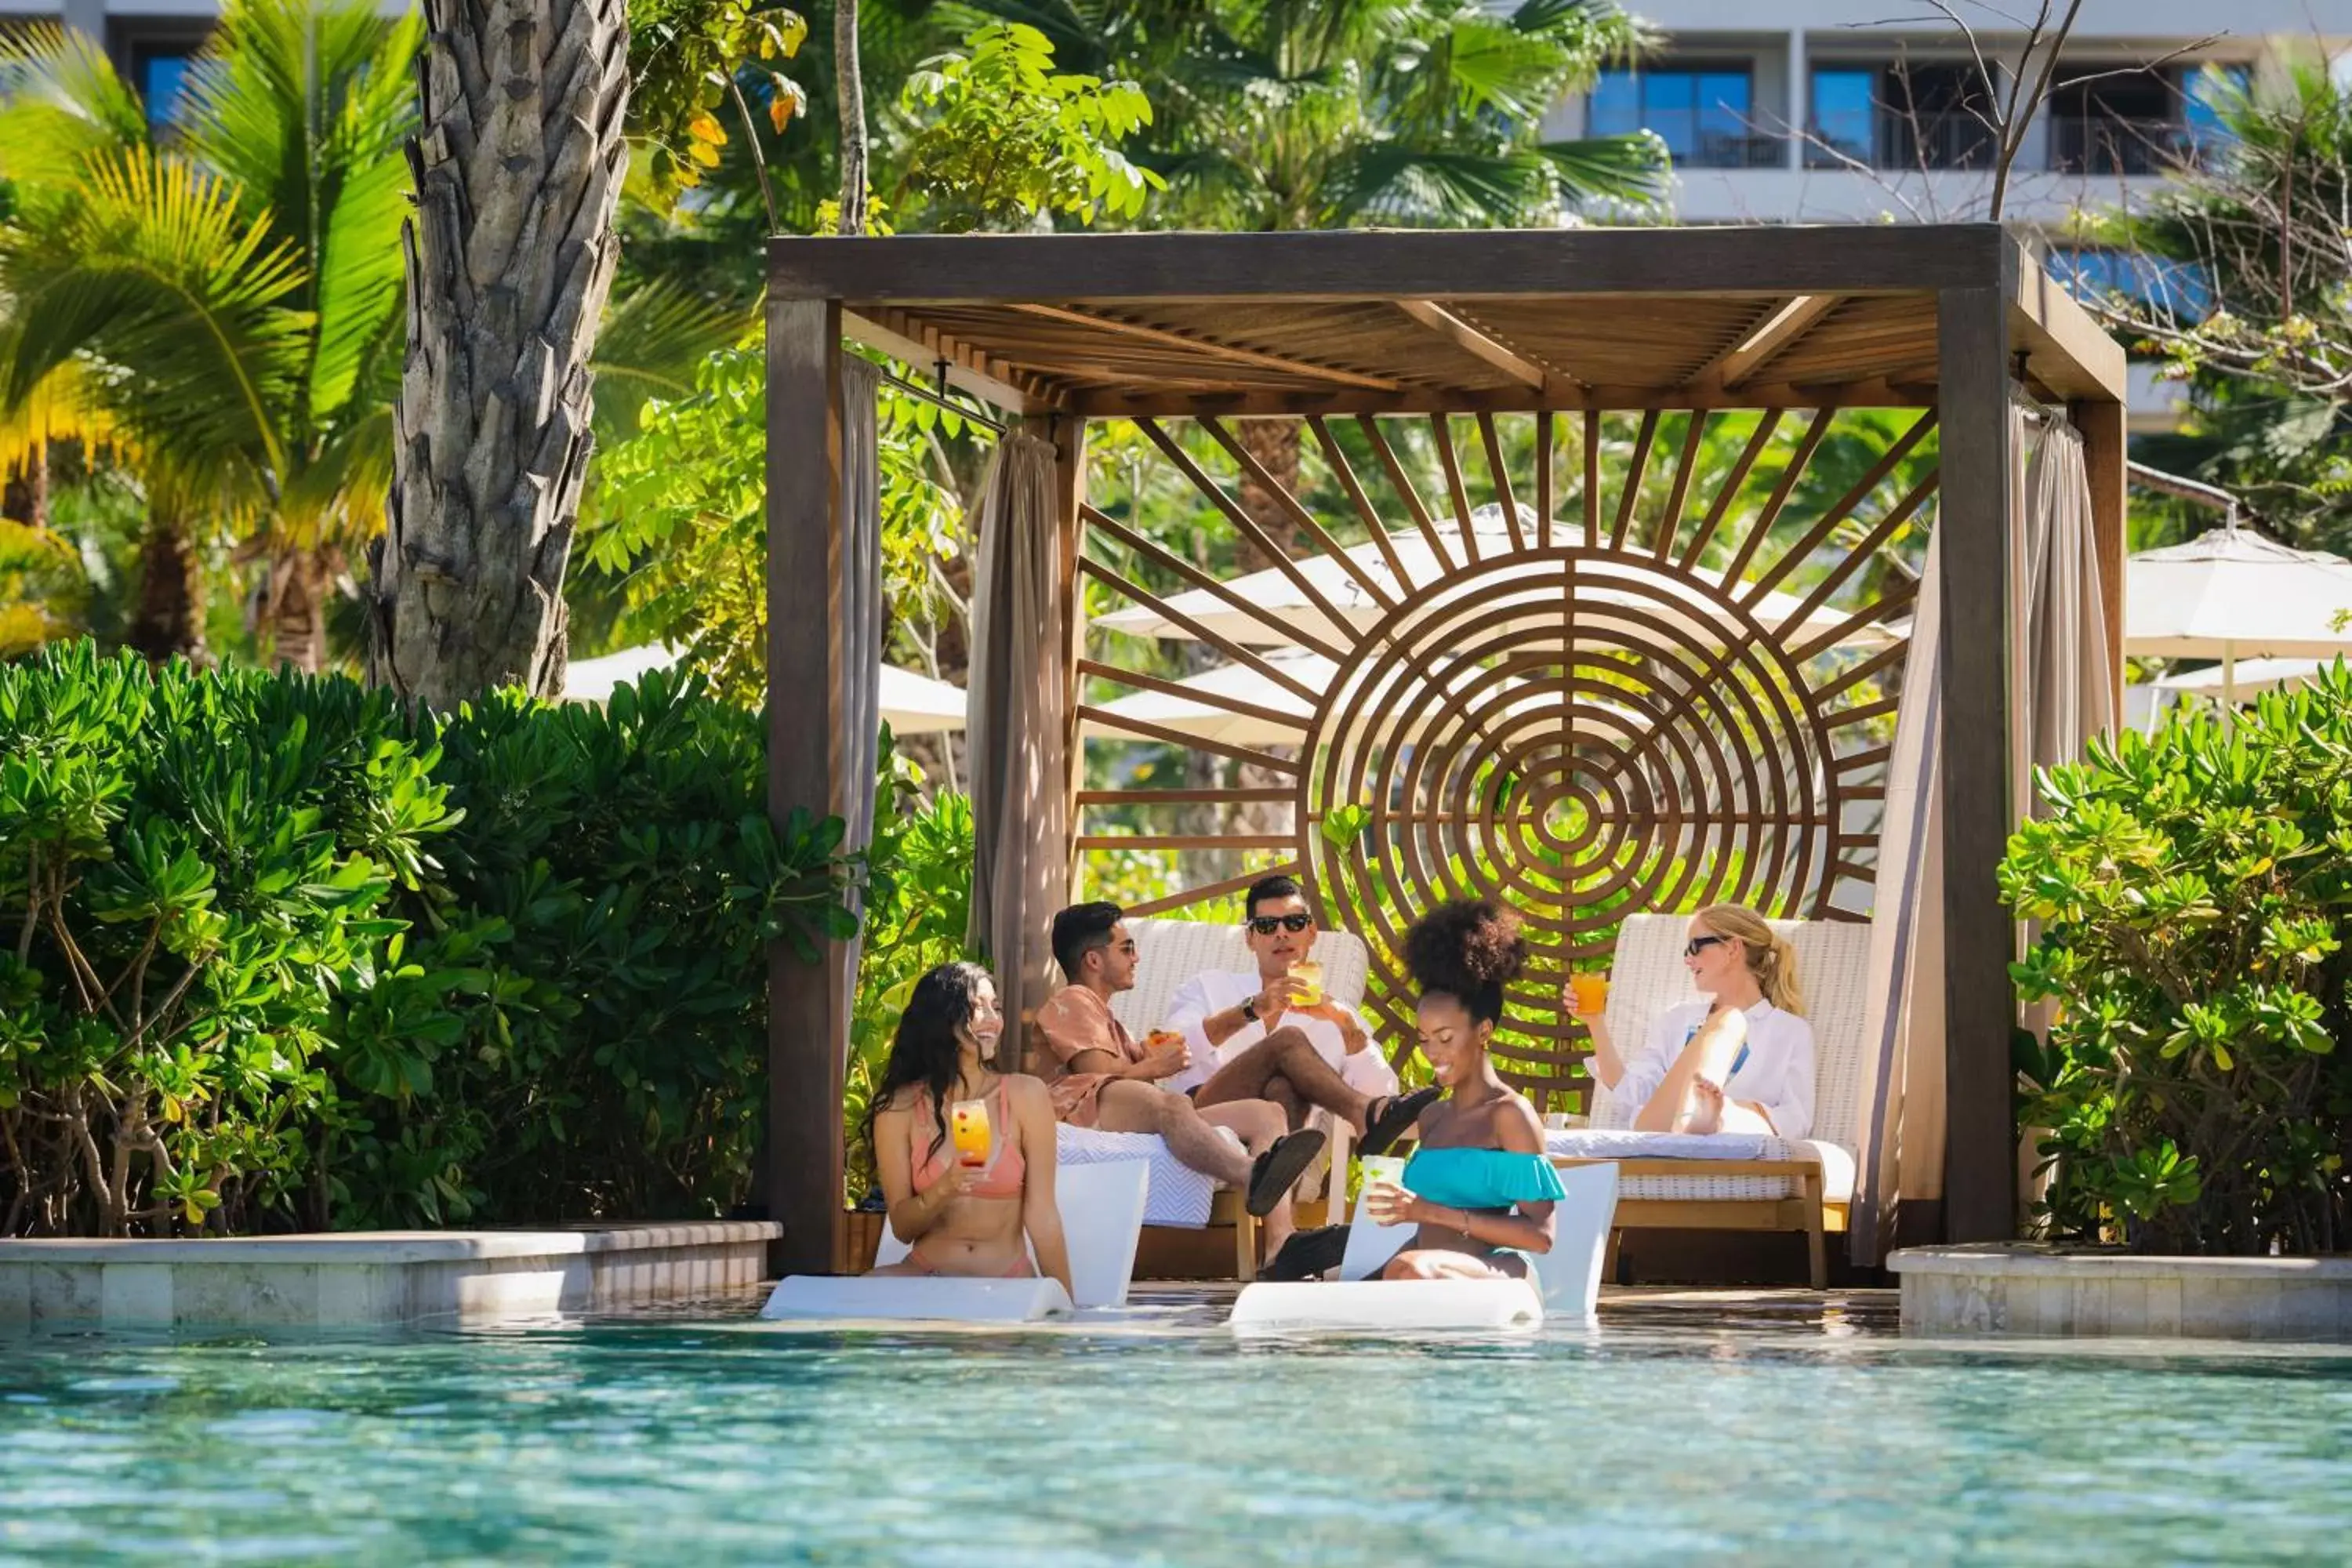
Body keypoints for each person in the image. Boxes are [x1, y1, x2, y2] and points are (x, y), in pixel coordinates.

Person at [1035, 902, 1326, 1255]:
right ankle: (1252, 1176)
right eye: (1126, 948)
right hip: (1079, 1110)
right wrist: (1155, 1067)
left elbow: (1168, 1050)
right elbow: (1097, 1076)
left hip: (1128, 1109)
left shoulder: (1113, 1024)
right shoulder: (1073, 999)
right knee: (1172, 1103)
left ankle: (1280, 1245)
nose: (1136, 957)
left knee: (1268, 1114)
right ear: (1094, 961)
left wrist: (1250, 1010)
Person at [1163, 875, 1439, 1156]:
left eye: (1293, 923)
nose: (1281, 933)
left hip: (1282, 1134)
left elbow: (1384, 1090)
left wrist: (1347, 1027)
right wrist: (1250, 1010)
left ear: (1311, 932)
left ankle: (1270, 1191)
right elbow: (1169, 1054)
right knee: (1288, 1041)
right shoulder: (1209, 986)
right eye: (1268, 926)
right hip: (1203, 1120)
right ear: (1250, 938)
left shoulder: (1338, 1016)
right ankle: (1363, 1115)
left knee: (1285, 1089)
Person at [1357, 899, 1560, 1281]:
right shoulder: (1433, 1116)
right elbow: (1423, 1241)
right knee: (1322, 1287)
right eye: (1424, 1039)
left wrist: (1426, 1212)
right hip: (1425, 1270)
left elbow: (1541, 1236)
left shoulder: (1510, 1115)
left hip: (1498, 1273)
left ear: (1483, 1032)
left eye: (1446, 1038)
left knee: (1409, 1269)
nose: (1433, 1052)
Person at [864, 962, 1073, 1294]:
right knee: (860, 1296)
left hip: (1005, 1279)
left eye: (997, 1007)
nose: (993, 1018)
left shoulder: (1025, 1095)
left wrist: (1066, 1310)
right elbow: (903, 1228)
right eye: (977, 1008)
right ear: (942, 1019)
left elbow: (1043, 1215)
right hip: (928, 1274)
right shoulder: (899, 1108)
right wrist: (946, 1186)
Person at [1567, 903, 1815, 1140]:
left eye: (1695, 947)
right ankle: (1700, 1114)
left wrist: (1733, 1110)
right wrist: (1595, 1022)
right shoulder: (1677, 1019)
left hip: (1729, 1133)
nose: (1688, 959)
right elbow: (1632, 1092)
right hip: (1658, 1128)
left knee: (1729, 1022)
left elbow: (1796, 1120)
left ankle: (1714, 1118)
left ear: (1733, 949)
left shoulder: (1789, 1031)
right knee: (1728, 1020)